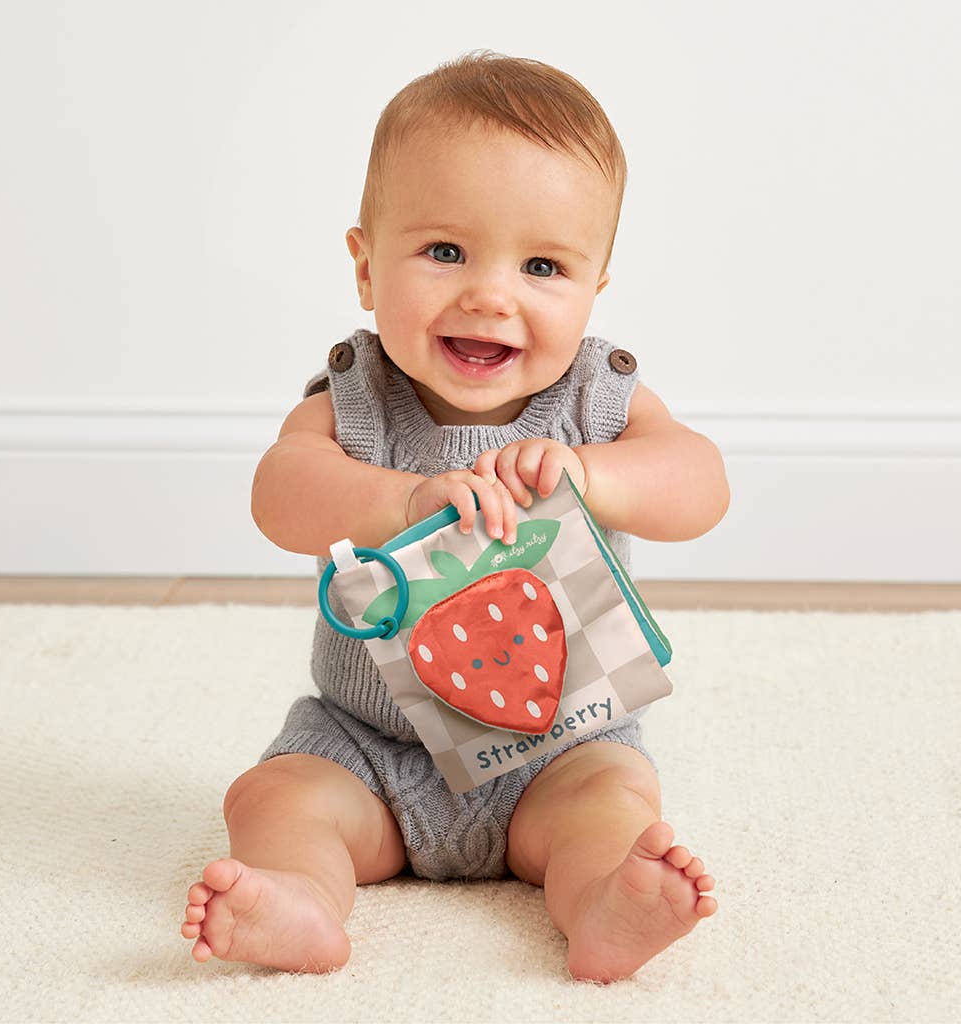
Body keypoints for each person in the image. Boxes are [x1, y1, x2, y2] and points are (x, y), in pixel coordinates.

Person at [181, 51, 729, 983]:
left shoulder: (595, 401)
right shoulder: (357, 403)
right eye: (445, 251)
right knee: (273, 795)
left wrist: (594, 476)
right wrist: (398, 499)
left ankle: (603, 902)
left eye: (544, 265)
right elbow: (280, 489)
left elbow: (701, 484)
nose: (490, 293)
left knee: (614, 802)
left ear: (595, 287)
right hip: (365, 747)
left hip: (560, 746)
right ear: (364, 266)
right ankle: (305, 900)